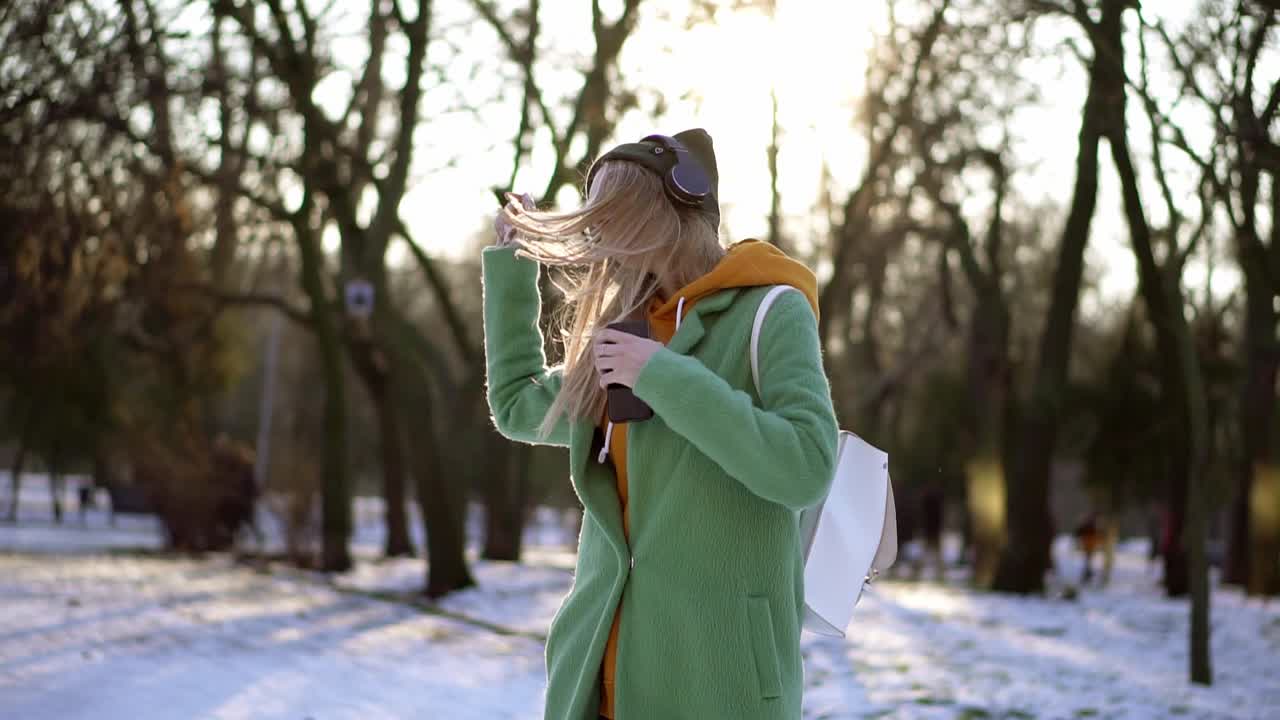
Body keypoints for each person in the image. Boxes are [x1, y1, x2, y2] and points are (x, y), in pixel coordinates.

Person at [483, 129, 839, 720]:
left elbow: (805, 468)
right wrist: (513, 266)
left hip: (719, 687)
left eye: (615, 217)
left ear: (673, 209)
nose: (602, 238)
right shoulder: (628, 329)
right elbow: (518, 405)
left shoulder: (773, 312)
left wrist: (662, 377)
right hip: (597, 683)